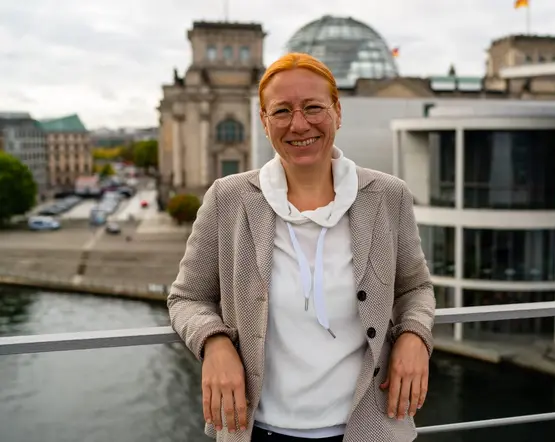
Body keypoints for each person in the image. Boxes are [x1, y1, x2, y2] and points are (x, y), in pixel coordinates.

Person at [167, 52, 436, 442]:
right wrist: (214, 341)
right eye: (281, 111)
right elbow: (186, 298)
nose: (299, 124)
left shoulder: (387, 196)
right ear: (263, 120)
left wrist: (414, 335)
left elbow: (415, 288)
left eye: (313, 108)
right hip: (258, 432)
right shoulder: (228, 199)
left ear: (337, 113)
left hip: (367, 430)